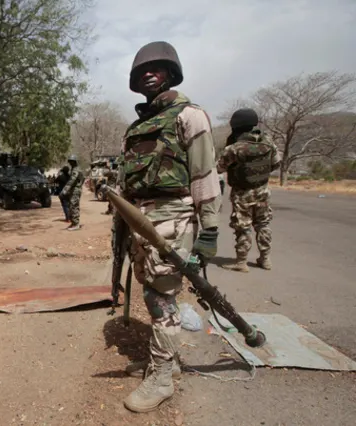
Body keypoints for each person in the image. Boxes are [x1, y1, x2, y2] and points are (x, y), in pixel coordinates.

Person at [115, 41, 222, 413]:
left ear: (171, 73)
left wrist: (209, 231)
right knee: (151, 292)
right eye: (142, 70)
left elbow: (204, 175)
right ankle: (165, 361)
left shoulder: (189, 115)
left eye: (157, 67)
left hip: (173, 218)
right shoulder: (136, 127)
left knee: (162, 299)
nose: (148, 73)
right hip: (140, 220)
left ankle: (162, 378)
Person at [217, 108, 281, 272]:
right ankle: (265, 259)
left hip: (242, 193)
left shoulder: (235, 148)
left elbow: (219, 168)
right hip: (263, 191)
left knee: (243, 227)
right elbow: (275, 163)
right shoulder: (268, 143)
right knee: (263, 224)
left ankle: (241, 262)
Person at [60, 155, 84, 230]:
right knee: (72, 206)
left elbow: (72, 181)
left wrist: (64, 190)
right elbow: (83, 179)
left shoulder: (76, 170)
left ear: (74, 162)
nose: (70, 163)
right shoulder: (75, 169)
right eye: (69, 161)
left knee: (74, 206)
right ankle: (74, 223)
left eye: (71, 161)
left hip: (75, 190)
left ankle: (76, 224)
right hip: (75, 190)